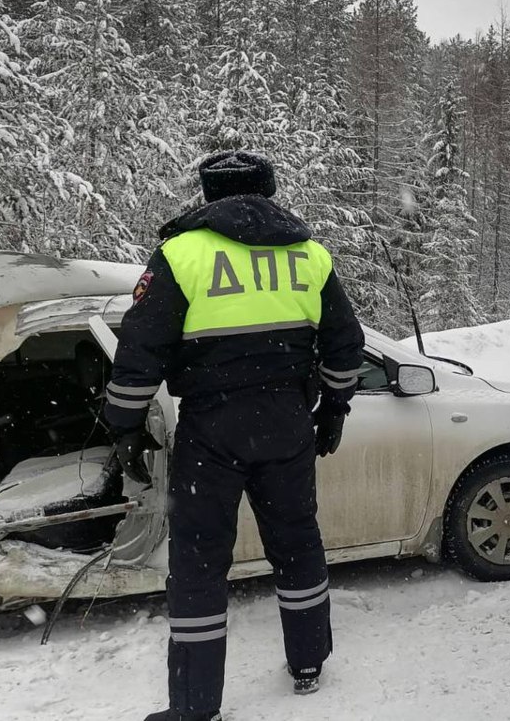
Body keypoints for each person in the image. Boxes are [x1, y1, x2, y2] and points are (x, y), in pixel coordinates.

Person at [104, 151, 366, 721]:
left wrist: (124, 426)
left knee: (199, 563)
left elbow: (140, 350)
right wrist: (333, 409)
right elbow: (347, 346)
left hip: (212, 428)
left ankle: (196, 708)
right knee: (297, 543)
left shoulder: (182, 253)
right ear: (268, 191)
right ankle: (308, 663)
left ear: (208, 193)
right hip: (287, 423)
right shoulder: (310, 255)